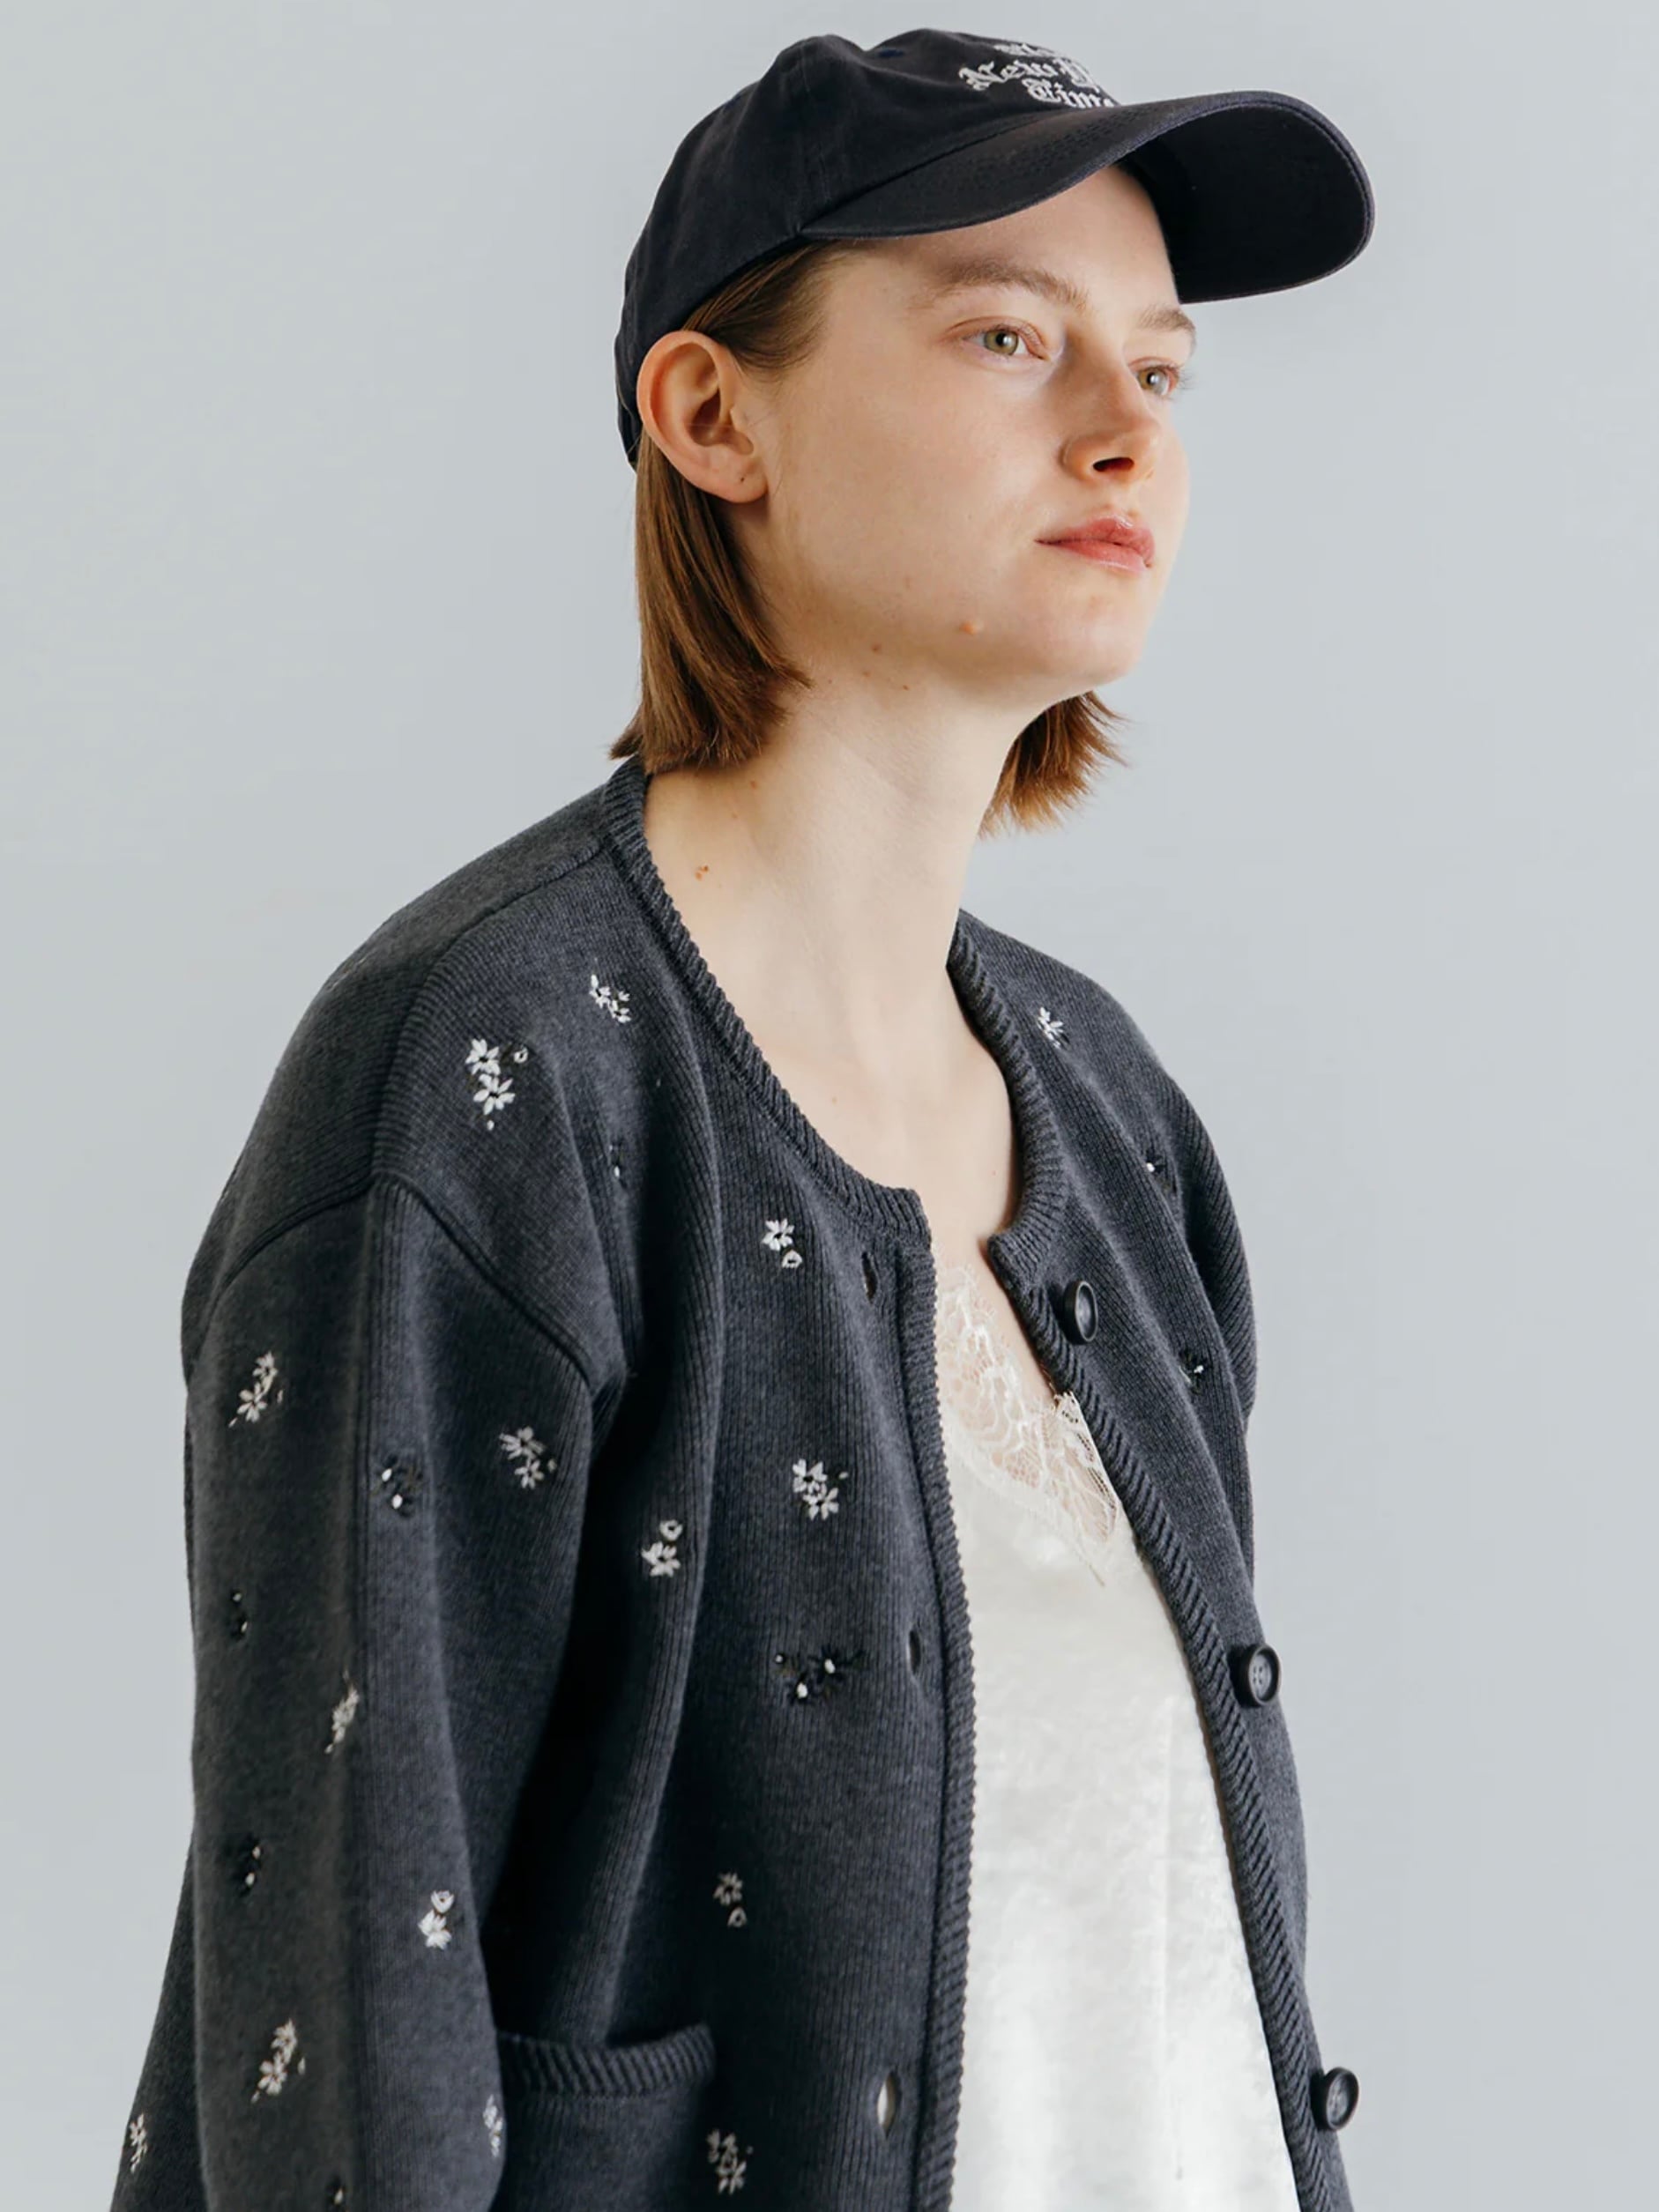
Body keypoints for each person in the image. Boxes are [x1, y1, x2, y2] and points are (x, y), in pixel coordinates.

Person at [112, 30, 1373, 2212]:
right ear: (713, 415)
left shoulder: (1108, 1115)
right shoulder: (496, 1074)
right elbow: (345, 1968)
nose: (1120, 429)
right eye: (1006, 336)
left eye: (1160, 369)